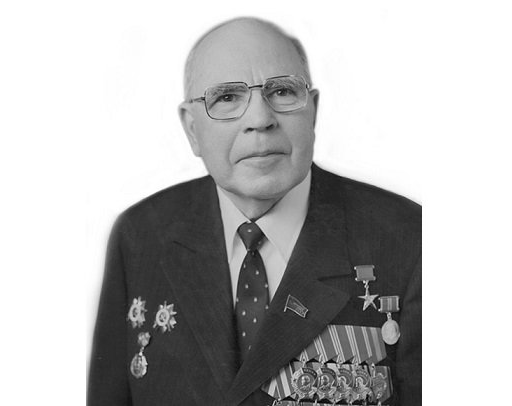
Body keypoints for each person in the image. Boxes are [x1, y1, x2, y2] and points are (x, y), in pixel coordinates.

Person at [88, 17, 421, 406]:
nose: (261, 120)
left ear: (313, 112)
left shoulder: (408, 238)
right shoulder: (142, 235)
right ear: (192, 129)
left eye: (282, 91)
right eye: (227, 98)